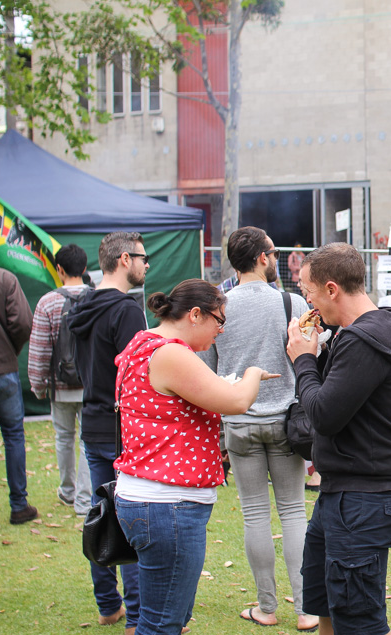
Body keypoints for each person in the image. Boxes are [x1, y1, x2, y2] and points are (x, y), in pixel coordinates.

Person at [114, 279, 279, 635]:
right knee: (162, 624)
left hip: (152, 501)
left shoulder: (144, 342)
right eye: (219, 321)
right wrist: (252, 374)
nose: (221, 331)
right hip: (167, 506)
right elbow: (236, 401)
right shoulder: (172, 353)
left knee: (166, 617)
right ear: (194, 314)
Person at [286, 242, 391, 635]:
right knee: (324, 601)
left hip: (363, 500)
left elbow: (324, 416)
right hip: (342, 493)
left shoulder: (362, 340)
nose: (305, 299)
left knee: (358, 620)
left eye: (307, 290)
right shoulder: (377, 327)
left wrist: (303, 360)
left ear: (332, 289)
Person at [200, 227, 317, 632]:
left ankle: (267, 607)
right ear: (265, 258)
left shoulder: (219, 307)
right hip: (287, 421)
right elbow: (311, 358)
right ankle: (306, 610)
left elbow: (211, 369)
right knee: (293, 513)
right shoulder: (293, 302)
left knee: (255, 515)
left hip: (238, 421)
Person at [68, 231, 149, 631]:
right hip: (121, 429)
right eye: (142, 257)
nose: (146, 265)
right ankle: (134, 614)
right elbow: (137, 377)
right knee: (127, 519)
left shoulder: (82, 305)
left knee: (101, 512)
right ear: (123, 259)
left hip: (93, 425)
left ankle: (108, 604)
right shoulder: (126, 311)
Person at [28, 243, 92, 516]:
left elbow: (40, 349)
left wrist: (38, 385)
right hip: (92, 386)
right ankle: (85, 500)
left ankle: (68, 491)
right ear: (86, 268)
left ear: (59, 269)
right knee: (88, 441)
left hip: (60, 387)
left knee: (64, 438)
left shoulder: (47, 302)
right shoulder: (98, 298)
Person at [0, 222, 35, 532]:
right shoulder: (4, 278)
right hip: (3, 369)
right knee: (13, 436)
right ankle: (18, 506)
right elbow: (23, 323)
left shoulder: (4, 277)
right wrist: (8, 350)